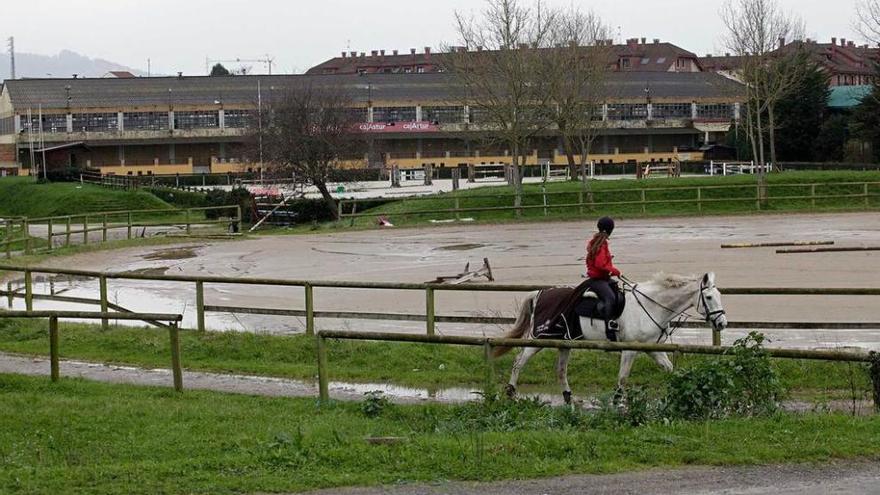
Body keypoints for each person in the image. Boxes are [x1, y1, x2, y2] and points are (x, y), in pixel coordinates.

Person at [586, 216, 622, 341]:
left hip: (603, 278)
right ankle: (609, 328)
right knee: (610, 298)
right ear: (610, 229)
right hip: (597, 280)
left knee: (619, 291)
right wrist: (613, 270)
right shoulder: (601, 244)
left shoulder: (598, 241)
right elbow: (600, 264)